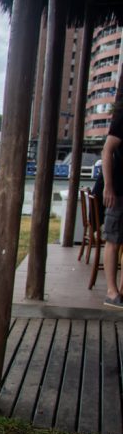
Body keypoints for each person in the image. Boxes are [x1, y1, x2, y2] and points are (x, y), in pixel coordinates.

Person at [100, 105, 123, 309]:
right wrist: (108, 186)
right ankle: (111, 291)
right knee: (113, 240)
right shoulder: (122, 119)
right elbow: (107, 150)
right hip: (119, 191)